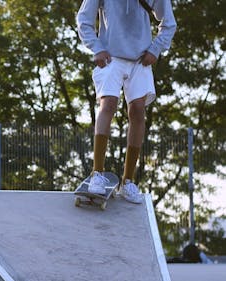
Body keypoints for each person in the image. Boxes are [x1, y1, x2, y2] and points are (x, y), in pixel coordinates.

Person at [76, 0, 177, 203]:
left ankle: (128, 181)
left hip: (140, 60)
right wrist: (96, 47)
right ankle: (97, 173)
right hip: (111, 57)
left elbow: (169, 23)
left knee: (138, 111)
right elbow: (84, 19)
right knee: (109, 104)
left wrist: (155, 49)